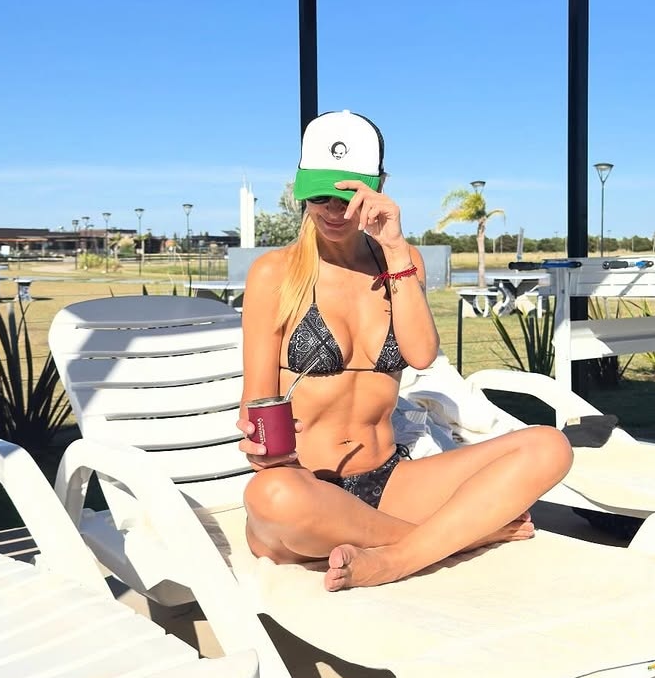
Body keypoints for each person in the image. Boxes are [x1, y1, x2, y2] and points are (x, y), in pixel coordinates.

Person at [238, 110, 573, 590]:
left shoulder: (401, 260)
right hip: (307, 491)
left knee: (549, 446)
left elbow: (420, 355)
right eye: (318, 196)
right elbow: (256, 404)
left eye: (347, 197)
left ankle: (397, 558)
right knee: (271, 495)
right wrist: (261, 448)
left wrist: (395, 249)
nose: (332, 211)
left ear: (379, 189)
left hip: (389, 481)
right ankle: (457, 538)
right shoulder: (275, 273)